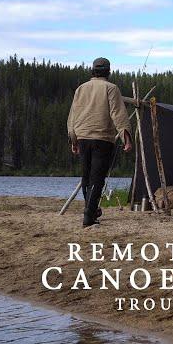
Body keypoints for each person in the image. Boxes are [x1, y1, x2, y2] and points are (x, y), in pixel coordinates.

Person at [67, 57, 132, 227]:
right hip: (102, 139)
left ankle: (92, 211)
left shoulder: (81, 89)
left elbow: (73, 116)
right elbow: (118, 113)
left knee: (86, 176)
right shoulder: (111, 88)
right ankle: (89, 217)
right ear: (108, 72)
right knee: (97, 178)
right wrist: (126, 137)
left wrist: (73, 139)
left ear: (93, 70)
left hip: (82, 137)